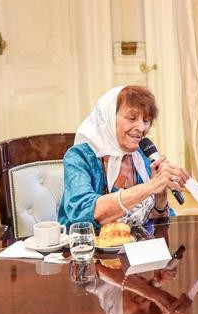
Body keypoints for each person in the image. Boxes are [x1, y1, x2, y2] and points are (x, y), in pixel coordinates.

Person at [58, 86, 189, 228]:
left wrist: (160, 194)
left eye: (146, 121)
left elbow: (157, 223)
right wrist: (150, 186)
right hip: (85, 247)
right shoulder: (79, 157)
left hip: (136, 246)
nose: (141, 128)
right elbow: (82, 213)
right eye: (132, 118)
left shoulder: (143, 157)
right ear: (108, 118)